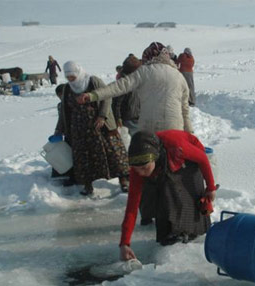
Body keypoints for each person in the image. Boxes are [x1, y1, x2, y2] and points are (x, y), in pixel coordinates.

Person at [119, 130, 217, 261]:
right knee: (157, 194)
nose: (141, 173)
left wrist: (210, 187)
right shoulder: (138, 169)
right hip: (163, 162)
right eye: (137, 170)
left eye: (144, 168)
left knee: (174, 192)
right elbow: (131, 206)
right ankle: (167, 228)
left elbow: (203, 159)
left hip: (187, 159)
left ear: (153, 157)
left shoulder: (177, 148)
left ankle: (191, 231)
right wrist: (124, 243)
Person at [76, 42, 193, 134]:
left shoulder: (144, 71)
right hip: (175, 128)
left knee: (149, 161)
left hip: (149, 128)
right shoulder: (179, 76)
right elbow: (185, 110)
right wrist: (190, 133)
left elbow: (119, 86)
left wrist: (93, 95)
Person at [60, 61, 129, 195]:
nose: (71, 80)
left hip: (100, 125)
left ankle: (124, 180)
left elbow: (107, 96)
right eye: (68, 77)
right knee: (83, 157)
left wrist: (102, 116)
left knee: (114, 153)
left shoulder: (93, 81)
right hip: (79, 129)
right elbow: (64, 110)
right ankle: (87, 185)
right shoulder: (68, 88)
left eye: (72, 77)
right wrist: (61, 128)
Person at [51, 84, 77, 186]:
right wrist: (58, 131)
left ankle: (75, 176)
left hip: (77, 132)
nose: (61, 98)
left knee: (74, 155)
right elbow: (61, 120)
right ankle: (68, 174)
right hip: (68, 133)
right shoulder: (61, 105)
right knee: (68, 153)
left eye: (61, 95)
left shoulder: (76, 103)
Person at [111, 54, 142, 137]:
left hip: (138, 117)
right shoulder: (124, 83)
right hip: (128, 119)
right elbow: (116, 103)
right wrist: (118, 118)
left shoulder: (137, 81)